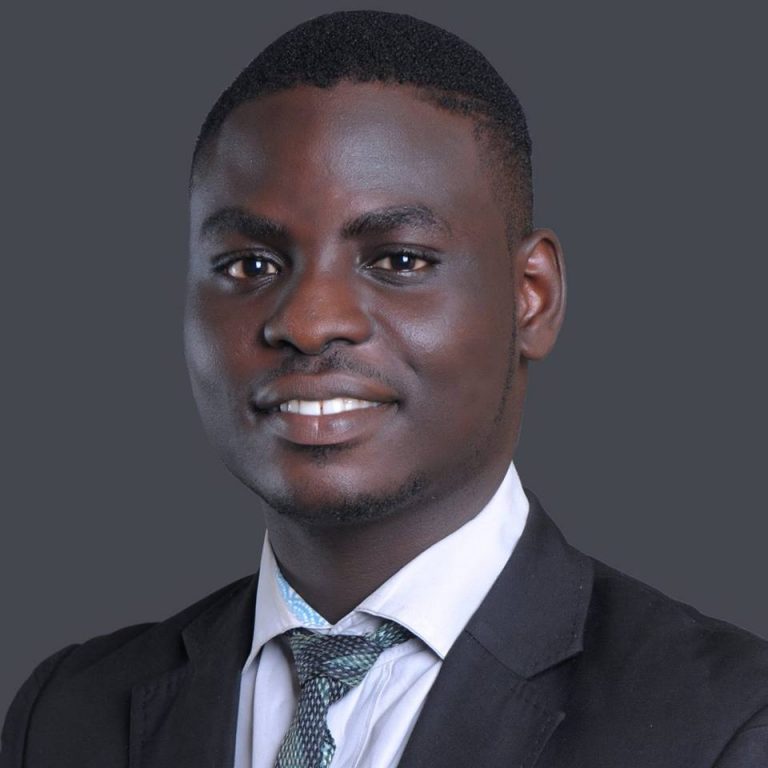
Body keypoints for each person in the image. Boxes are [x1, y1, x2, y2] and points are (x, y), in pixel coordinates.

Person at [2, 10, 767, 768]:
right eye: (249, 266)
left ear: (531, 297)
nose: (308, 323)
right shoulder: (65, 717)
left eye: (399, 260)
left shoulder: (726, 728)